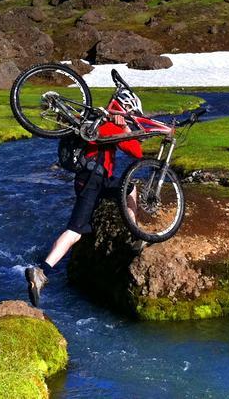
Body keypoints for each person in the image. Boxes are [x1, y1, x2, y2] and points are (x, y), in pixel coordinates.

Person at [25, 86, 143, 306]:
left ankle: (134, 230)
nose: (131, 117)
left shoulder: (97, 120)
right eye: (130, 112)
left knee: (129, 187)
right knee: (74, 231)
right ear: (124, 107)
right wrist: (124, 126)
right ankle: (42, 271)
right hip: (93, 181)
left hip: (94, 180)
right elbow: (136, 152)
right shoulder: (107, 124)